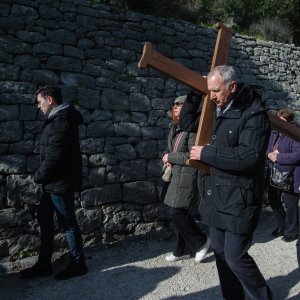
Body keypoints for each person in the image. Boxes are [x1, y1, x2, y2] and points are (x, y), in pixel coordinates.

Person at [180, 65, 272, 299]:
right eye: (208, 91)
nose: (212, 97)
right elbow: (187, 125)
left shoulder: (254, 113)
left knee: (235, 256)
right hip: (216, 195)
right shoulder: (214, 108)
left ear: (232, 87)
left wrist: (207, 154)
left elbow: (249, 156)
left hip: (240, 198)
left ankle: (263, 295)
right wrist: (194, 93)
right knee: (220, 251)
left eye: (216, 91)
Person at [20, 85, 87, 280]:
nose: (38, 107)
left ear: (50, 100)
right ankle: (44, 265)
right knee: (45, 220)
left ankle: (78, 264)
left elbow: (54, 157)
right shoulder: (58, 119)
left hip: (59, 183)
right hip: (53, 183)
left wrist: (38, 176)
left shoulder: (60, 121)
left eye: (40, 102)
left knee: (68, 224)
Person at [163, 95, 211, 263]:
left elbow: (192, 155)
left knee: (177, 212)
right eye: (174, 104)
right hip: (176, 174)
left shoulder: (191, 128)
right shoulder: (174, 127)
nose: (175, 106)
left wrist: (171, 156)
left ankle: (201, 241)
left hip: (187, 175)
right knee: (176, 212)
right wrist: (169, 159)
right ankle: (181, 250)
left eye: (179, 104)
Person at [266, 109, 300, 242]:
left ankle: (292, 232)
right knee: (273, 200)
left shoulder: (295, 134)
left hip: (291, 175)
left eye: (283, 122)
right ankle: (282, 225)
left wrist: (278, 157)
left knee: (290, 205)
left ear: (290, 123)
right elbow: (268, 148)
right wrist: (269, 154)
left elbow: (298, 155)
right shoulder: (274, 132)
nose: (280, 124)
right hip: (275, 173)